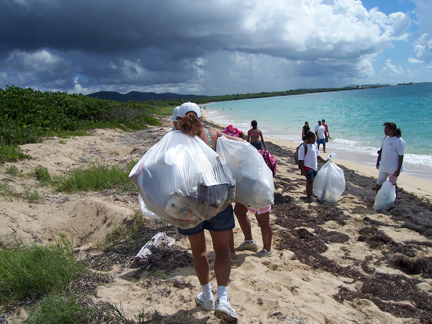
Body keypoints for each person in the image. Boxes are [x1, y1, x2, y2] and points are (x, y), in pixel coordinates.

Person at [176, 102, 242, 322]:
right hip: (218, 199)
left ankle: (206, 296)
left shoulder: (174, 140)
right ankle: (223, 299)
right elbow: (241, 144)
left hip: (189, 203)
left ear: (178, 119)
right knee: (222, 251)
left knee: (199, 252)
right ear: (199, 117)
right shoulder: (213, 135)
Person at [375, 122, 405, 197]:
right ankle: (378, 198)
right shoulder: (385, 138)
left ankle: (393, 199)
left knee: (392, 185)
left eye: (386, 129)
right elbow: (381, 150)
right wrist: (378, 161)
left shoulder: (399, 141)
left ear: (392, 130)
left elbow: (401, 156)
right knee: (379, 182)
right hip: (383, 166)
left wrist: (398, 169)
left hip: (393, 168)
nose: (384, 131)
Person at [298, 131, 328, 202]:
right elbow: (300, 159)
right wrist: (303, 170)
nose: (315, 140)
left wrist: (324, 161)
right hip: (307, 167)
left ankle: (310, 195)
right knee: (309, 181)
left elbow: (317, 156)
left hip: (314, 167)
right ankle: (308, 198)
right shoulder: (303, 146)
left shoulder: (314, 146)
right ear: (308, 138)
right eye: (313, 138)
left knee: (312, 181)